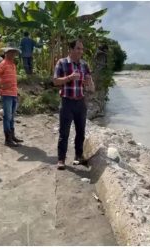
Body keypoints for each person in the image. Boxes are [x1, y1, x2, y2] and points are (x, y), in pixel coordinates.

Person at [53, 39, 95, 170]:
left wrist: (89, 82)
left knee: (81, 132)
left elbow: (91, 88)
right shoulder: (62, 63)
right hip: (67, 102)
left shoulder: (84, 65)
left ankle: (78, 156)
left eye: (82, 49)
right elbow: (55, 81)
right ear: (70, 50)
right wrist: (69, 77)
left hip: (80, 102)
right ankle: (61, 160)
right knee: (64, 133)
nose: (80, 51)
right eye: (78, 48)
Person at [0, 44, 24, 147]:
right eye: (11, 52)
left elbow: (12, 80)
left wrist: (16, 91)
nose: (13, 54)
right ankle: (7, 140)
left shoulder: (12, 64)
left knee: (12, 116)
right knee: (7, 116)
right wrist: (0, 86)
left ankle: (12, 136)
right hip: (6, 94)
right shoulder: (3, 63)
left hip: (13, 94)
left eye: (14, 52)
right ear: (6, 53)